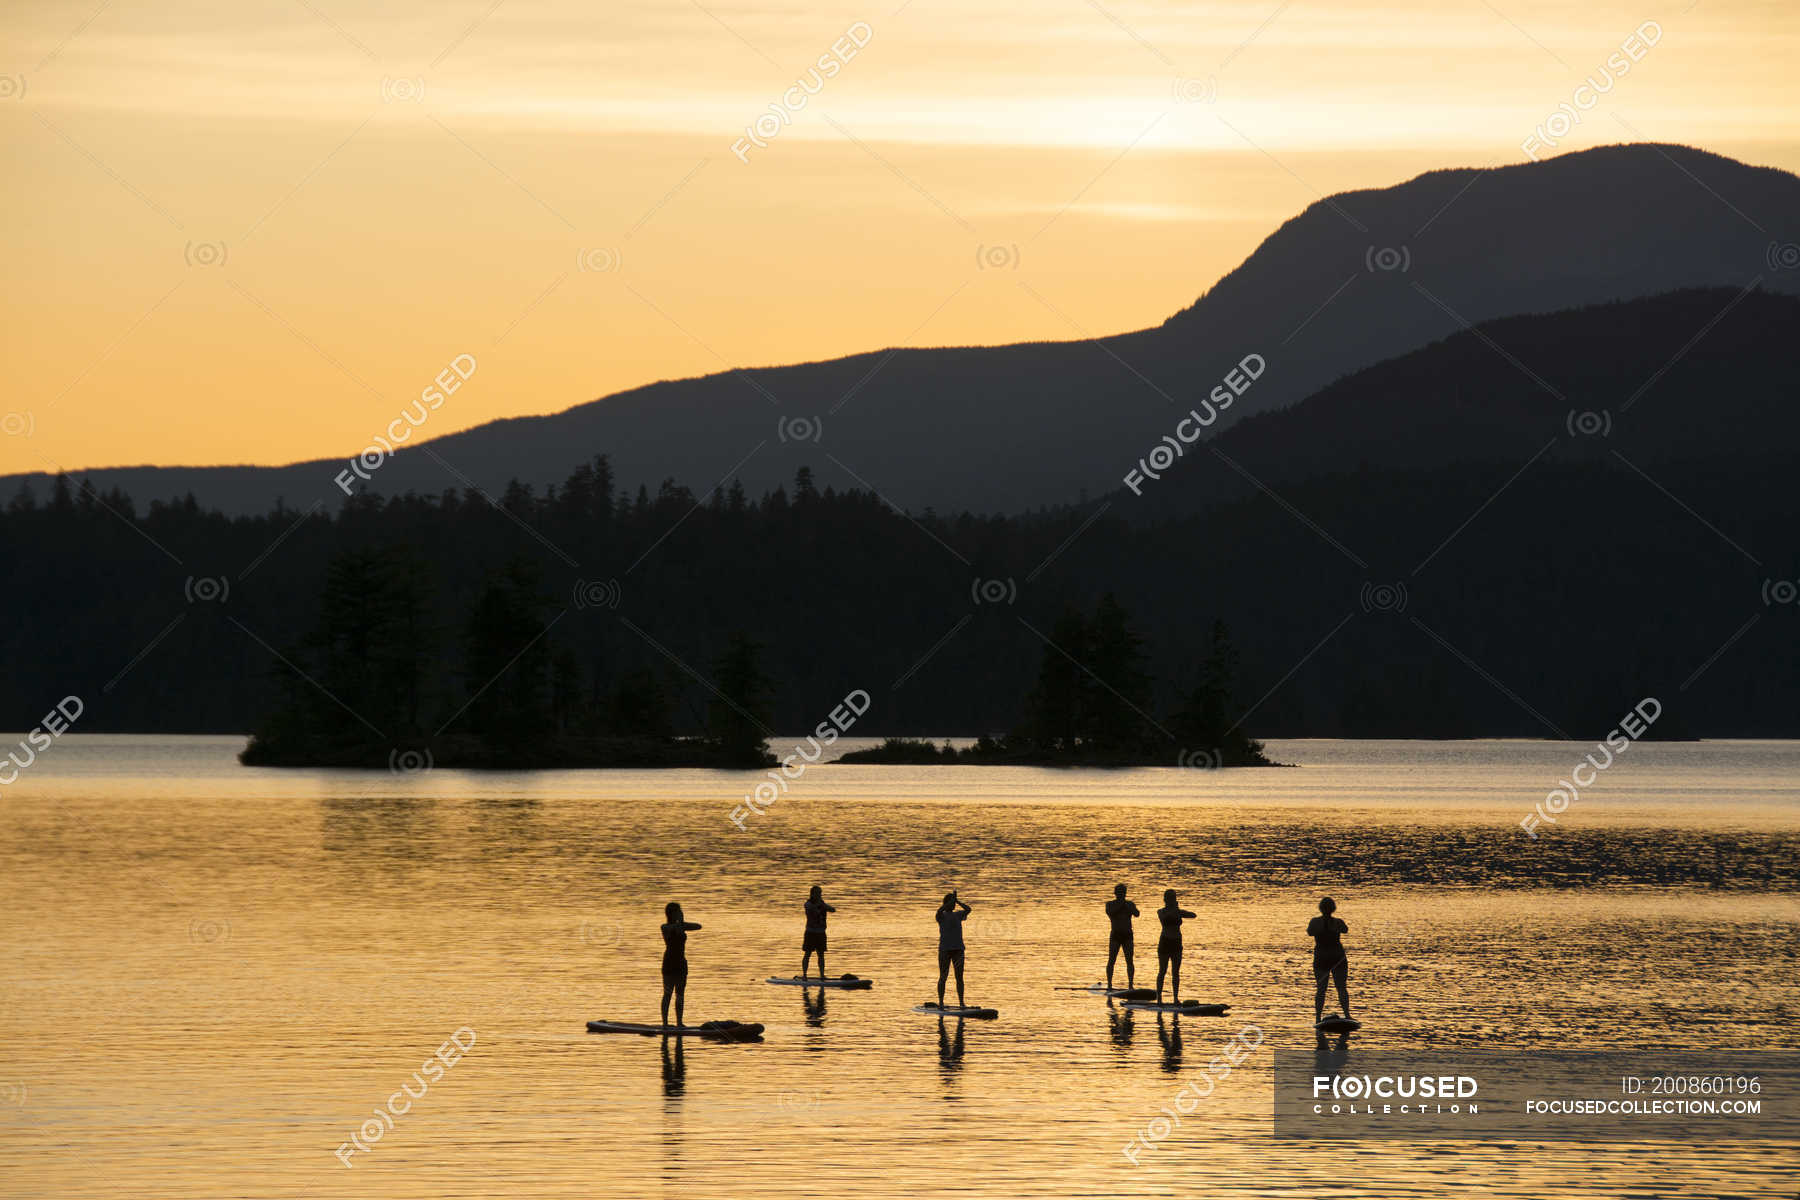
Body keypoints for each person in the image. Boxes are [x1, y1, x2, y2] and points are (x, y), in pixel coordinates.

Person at [1308, 896, 1351, 1023]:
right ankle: (1347, 1015)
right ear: (1333, 908)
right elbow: (1345, 929)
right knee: (1340, 987)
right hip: (1334, 958)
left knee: (1322, 988)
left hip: (1327, 958)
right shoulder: (1336, 922)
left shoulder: (1316, 922)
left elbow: (1310, 932)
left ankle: (1317, 1018)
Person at [660, 902, 702, 1029]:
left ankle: (679, 1023)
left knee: (680, 994)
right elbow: (674, 930)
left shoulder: (682, 926)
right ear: (671, 914)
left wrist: (682, 922)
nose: (680, 913)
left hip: (681, 963)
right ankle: (665, 1024)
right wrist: (680, 923)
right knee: (668, 993)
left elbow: (698, 926)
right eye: (678, 911)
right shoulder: (665, 927)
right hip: (669, 963)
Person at [1155, 889, 1195, 1005]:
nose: (1172, 900)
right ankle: (1159, 996)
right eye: (1170, 898)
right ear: (1165, 900)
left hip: (1177, 943)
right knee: (1162, 970)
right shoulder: (1161, 911)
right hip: (1165, 942)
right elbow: (1165, 918)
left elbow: (1193, 915)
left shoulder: (1178, 911)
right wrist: (1175, 911)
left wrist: (1179, 911)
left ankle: (1175, 997)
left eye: (1173, 898)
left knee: (1176, 972)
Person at [935, 891, 972, 1008]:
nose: (953, 905)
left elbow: (968, 909)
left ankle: (961, 1002)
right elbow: (939, 910)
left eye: (954, 903)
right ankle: (941, 1002)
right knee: (943, 976)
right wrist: (949, 902)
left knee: (959, 977)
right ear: (946, 903)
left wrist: (957, 901)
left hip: (958, 950)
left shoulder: (958, 915)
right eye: (951, 903)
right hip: (945, 950)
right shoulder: (940, 916)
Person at [1105, 883, 1140, 990]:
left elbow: (1137, 914)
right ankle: (1109, 984)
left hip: (1127, 935)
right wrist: (1121, 905)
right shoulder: (1110, 904)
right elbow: (1111, 912)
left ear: (1125, 893)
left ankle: (1130, 984)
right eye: (1119, 892)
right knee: (1112, 959)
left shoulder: (1129, 904)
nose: (1121, 895)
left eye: (1123, 893)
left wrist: (1129, 907)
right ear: (1115, 893)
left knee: (1129, 960)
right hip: (1116, 934)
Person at [802, 885, 836, 980]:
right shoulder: (808, 904)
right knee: (807, 954)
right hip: (811, 932)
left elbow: (833, 910)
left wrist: (827, 907)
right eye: (818, 893)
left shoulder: (822, 904)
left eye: (820, 893)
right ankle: (804, 975)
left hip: (821, 933)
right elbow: (813, 909)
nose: (820, 895)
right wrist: (821, 906)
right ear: (812, 894)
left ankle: (822, 975)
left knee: (821, 955)